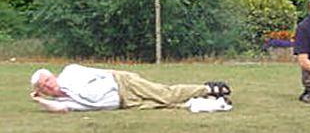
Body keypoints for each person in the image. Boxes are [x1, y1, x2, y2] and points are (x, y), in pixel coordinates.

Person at [30, 64, 231, 113]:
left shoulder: (71, 71)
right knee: (165, 105)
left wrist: (126, 75)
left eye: (48, 80)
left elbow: (101, 71)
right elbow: (61, 111)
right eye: (43, 86)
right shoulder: (60, 102)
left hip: (122, 83)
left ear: (52, 75)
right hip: (124, 103)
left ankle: (208, 88)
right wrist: (39, 100)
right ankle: (216, 103)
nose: (48, 85)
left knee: (165, 93)